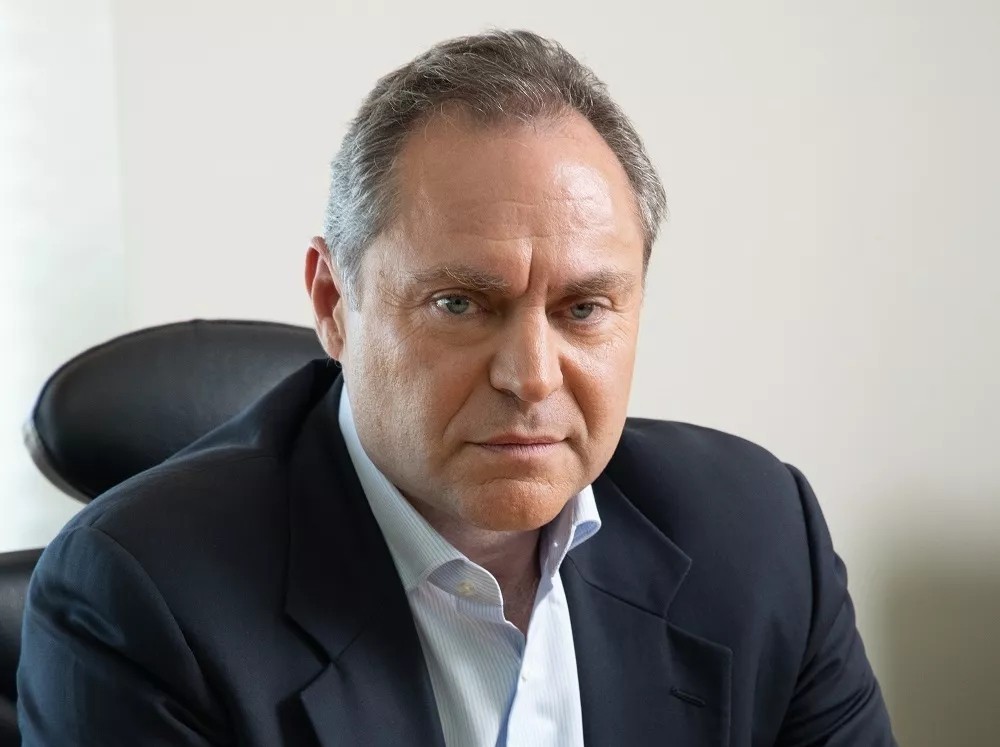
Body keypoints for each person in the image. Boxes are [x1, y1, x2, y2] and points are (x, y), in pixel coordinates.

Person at [18, 30, 895, 746]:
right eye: (461, 304)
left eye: (585, 308)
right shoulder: (138, 598)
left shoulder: (761, 535)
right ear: (334, 302)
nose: (532, 375)